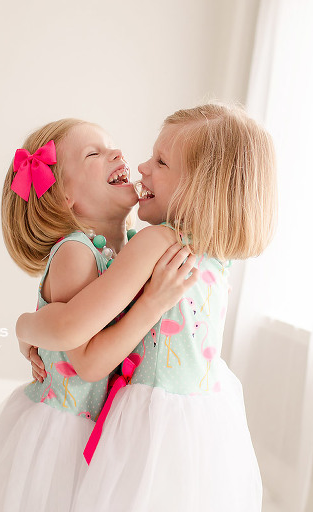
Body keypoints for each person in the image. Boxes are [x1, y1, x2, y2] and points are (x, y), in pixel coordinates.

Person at [17, 103, 278, 511]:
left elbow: (78, 342)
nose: (139, 165)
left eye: (160, 161)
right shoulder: (217, 257)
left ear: (199, 187)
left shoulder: (153, 243)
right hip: (203, 426)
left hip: (150, 420)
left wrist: (25, 325)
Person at [0, 118, 195, 512]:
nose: (118, 154)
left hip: (105, 427)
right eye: (94, 153)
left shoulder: (131, 251)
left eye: (112, 146)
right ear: (65, 197)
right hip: (66, 430)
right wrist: (151, 301)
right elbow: (84, 354)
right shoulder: (76, 254)